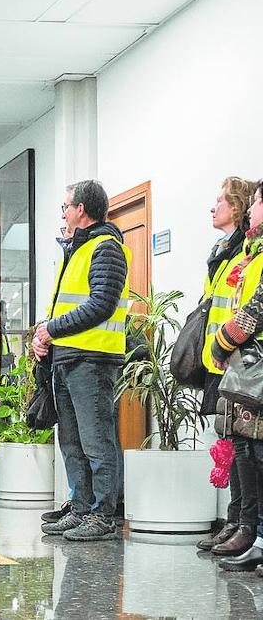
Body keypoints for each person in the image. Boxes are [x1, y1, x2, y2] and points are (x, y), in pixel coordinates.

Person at [34, 180, 129, 541]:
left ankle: (104, 515)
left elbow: (101, 304)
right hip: (67, 357)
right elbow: (65, 305)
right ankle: (81, 507)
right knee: (71, 441)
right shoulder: (78, 249)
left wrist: (52, 329)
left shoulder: (106, 247)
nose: (63, 212)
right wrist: (43, 336)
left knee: (97, 441)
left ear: (82, 210)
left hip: (93, 358)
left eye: (66, 206)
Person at [209, 180, 263, 573]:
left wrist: (222, 342)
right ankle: (248, 530)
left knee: (255, 454)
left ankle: (253, 531)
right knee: (243, 450)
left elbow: (254, 311)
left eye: (256, 203)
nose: (252, 210)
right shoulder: (249, 253)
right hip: (241, 366)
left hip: (252, 364)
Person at [196, 176, 252, 555]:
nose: (213, 206)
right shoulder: (220, 252)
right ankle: (234, 520)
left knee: (241, 446)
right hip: (217, 360)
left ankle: (241, 522)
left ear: (237, 206)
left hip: (238, 361)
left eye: (220, 200)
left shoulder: (245, 253)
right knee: (228, 445)